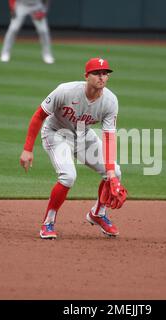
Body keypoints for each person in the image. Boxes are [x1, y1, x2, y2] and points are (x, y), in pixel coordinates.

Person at [19, 57, 128, 239]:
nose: (102, 77)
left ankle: (98, 214)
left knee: (115, 172)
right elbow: (39, 116)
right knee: (68, 176)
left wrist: (109, 172)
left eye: (105, 73)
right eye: (97, 73)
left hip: (83, 136)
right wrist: (27, 149)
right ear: (86, 76)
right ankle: (48, 222)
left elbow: (109, 136)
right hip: (56, 133)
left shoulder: (110, 101)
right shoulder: (66, 91)